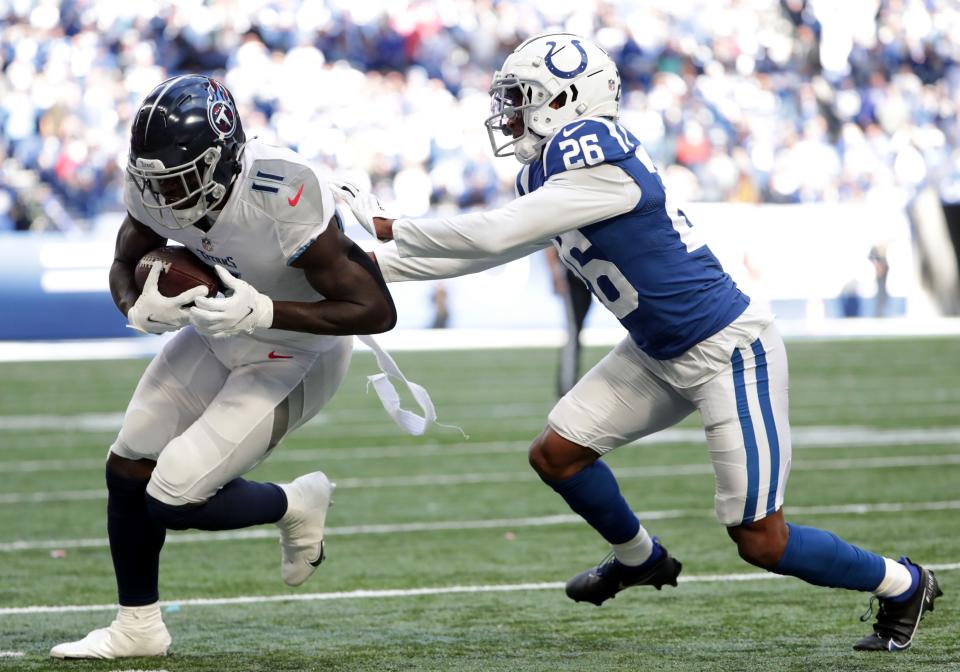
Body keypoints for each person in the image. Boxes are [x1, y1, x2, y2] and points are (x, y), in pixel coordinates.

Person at [335, 33, 943, 652]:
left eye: (523, 98)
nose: (510, 113)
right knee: (557, 454)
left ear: (566, 101)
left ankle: (903, 582)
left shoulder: (600, 161)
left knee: (760, 539)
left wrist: (392, 225)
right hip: (656, 352)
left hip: (728, 352)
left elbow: (492, 235)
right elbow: (491, 249)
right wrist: (362, 264)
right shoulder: (549, 173)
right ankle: (639, 557)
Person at [51, 75, 398, 659]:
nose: (165, 196)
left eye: (181, 179)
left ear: (225, 159)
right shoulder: (157, 184)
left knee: (172, 495)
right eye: (154, 181)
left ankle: (295, 501)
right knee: (129, 461)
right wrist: (135, 307)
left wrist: (265, 309)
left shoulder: (283, 190)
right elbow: (123, 261)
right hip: (216, 335)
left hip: (298, 351)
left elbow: (376, 310)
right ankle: (138, 628)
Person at [545, 247, 593, 397]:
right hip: (571, 267)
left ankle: (568, 386)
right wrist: (555, 271)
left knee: (576, 330)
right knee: (574, 331)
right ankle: (567, 389)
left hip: (590, 266)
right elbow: (551, 236)